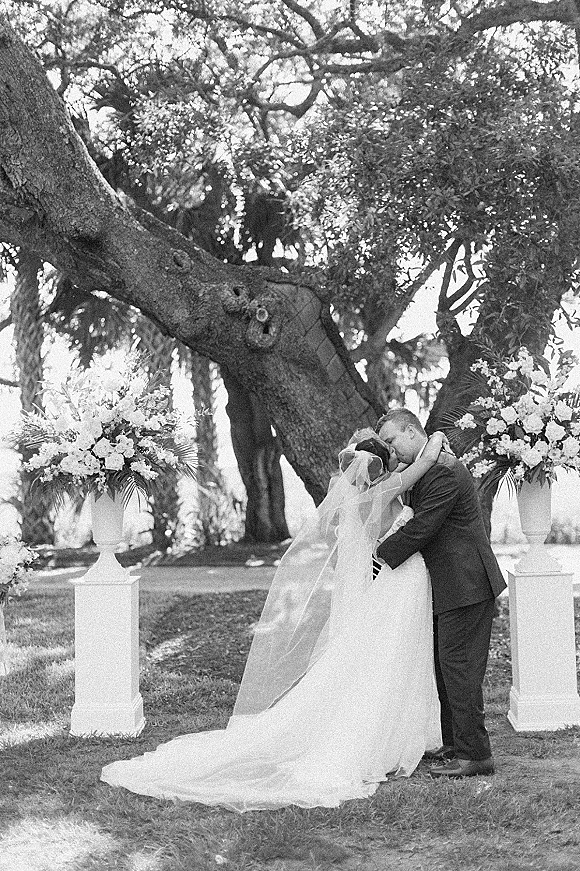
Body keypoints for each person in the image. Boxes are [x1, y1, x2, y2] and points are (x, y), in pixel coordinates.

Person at [101, 429, 446, 812]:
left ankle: (391, 734)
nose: (397, 461)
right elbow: (426, 462)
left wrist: (360, 444)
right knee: (386, 660)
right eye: (390, 458)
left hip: (385, 587)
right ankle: (383, 737)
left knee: (375, 660)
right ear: (379, 470)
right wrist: (435, 440)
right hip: (394, 587)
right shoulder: (385, 492)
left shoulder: (354, 494)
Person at [373, 408, 506, 778]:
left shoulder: (443, 471)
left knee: (458, 667)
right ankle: (455, 743)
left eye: (392, 440)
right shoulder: (425, 467)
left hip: (467, 584)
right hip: (449, 585)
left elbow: (423, 527)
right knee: (445, 666)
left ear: (412, 432)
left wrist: (379, 553)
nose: (390, 449)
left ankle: (476, 756)